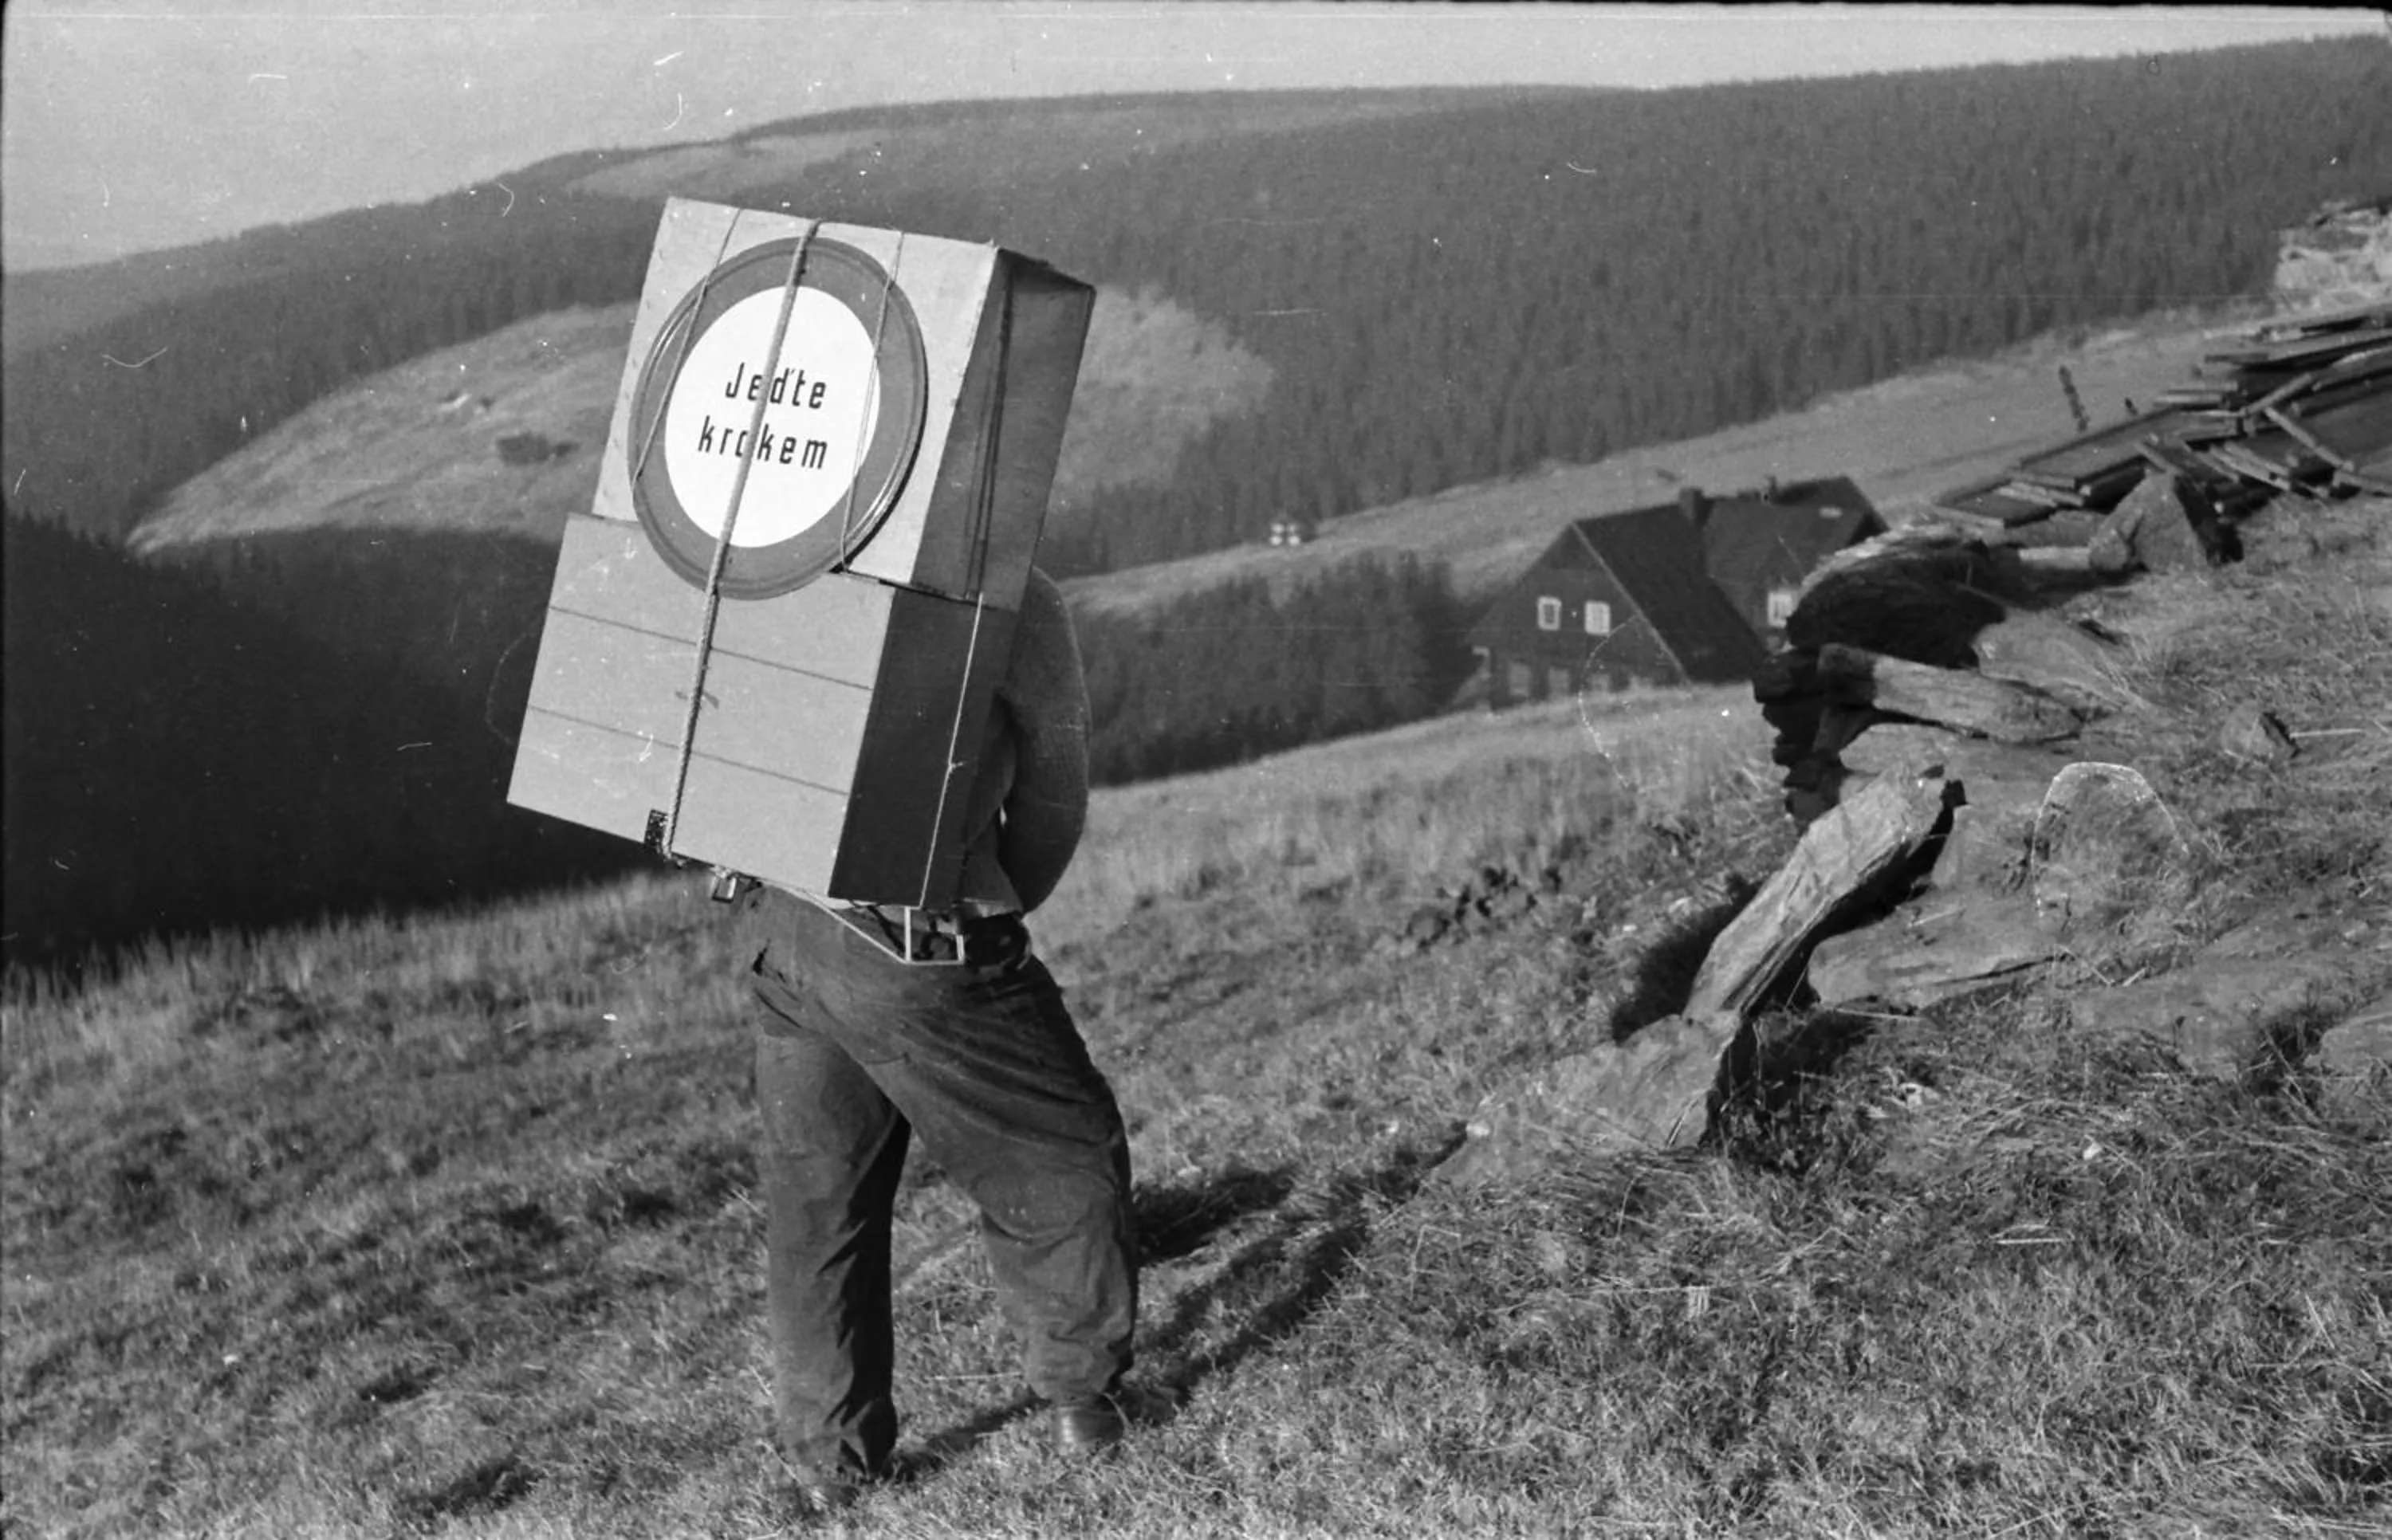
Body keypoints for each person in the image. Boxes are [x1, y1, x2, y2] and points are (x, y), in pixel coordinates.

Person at [743, 567, 1139, 1514]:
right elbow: (1053, 791)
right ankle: (1084, 1401)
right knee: (1061, 1155)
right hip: (917, 934)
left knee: (821, 1202)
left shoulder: (783, 554)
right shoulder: (1012, 586)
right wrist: (990, 914)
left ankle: (833, 1467)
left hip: (777, 928)